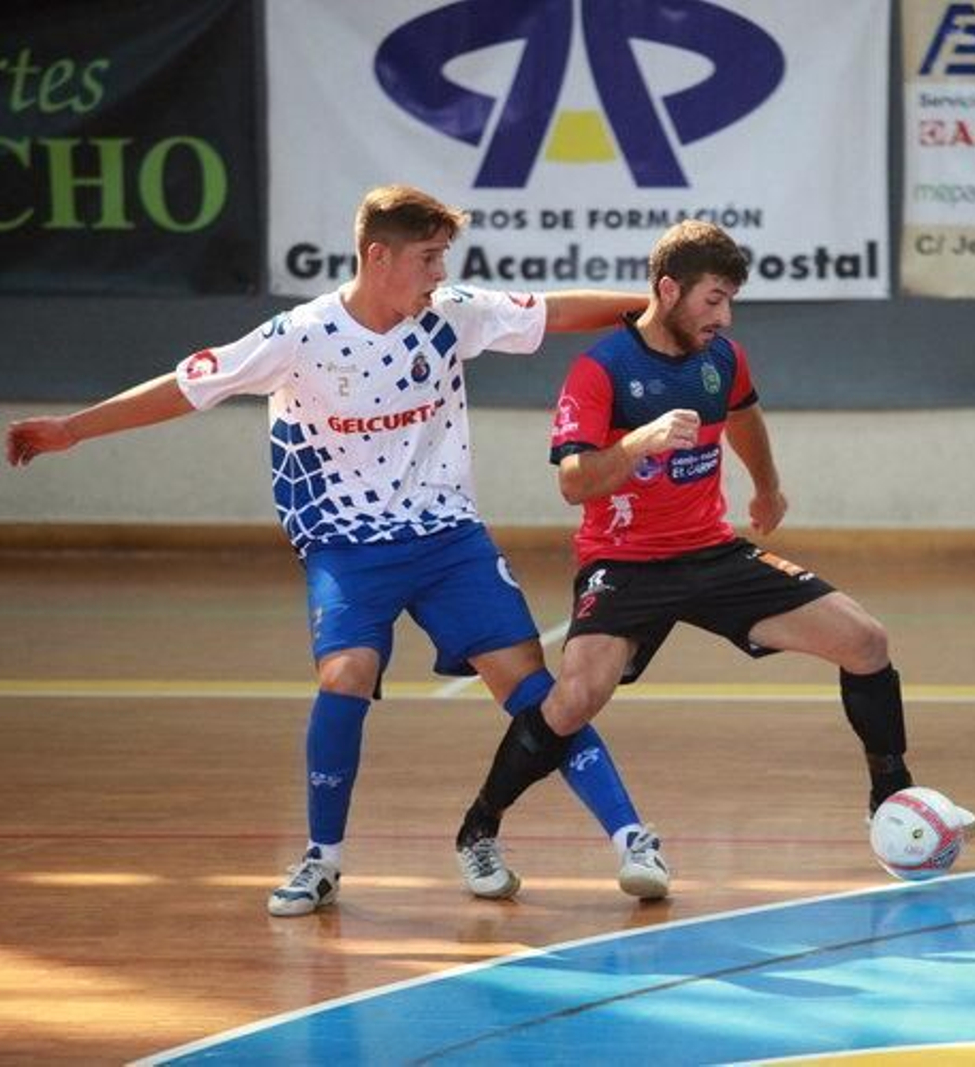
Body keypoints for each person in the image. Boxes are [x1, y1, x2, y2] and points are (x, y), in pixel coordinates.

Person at [5, 184, 672, 916]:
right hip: (347, 547)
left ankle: (632, 839)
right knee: (346, 673)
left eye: (443, 258)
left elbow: (558, 310)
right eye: (427, 258)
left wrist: (658, 311)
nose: (439, 274)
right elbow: (187, 387)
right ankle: (322, 860)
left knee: (535, 691)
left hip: (448, 538)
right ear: (378, 256)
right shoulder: (300, 336)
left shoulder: (451, 314)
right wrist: (73, 429)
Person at [451, 219, 975, 871]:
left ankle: (892, 798)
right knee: (575, 697)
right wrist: (640, 441)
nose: (724, 317)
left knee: (866, 641)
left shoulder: (721, 359)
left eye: (730, 301)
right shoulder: (601, 369)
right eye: (713, 299)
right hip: (625, 563)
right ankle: (480, 824)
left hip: (712, 552)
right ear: (669, 290)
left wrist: (767, 487)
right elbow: (573, 483)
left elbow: (745, 415)